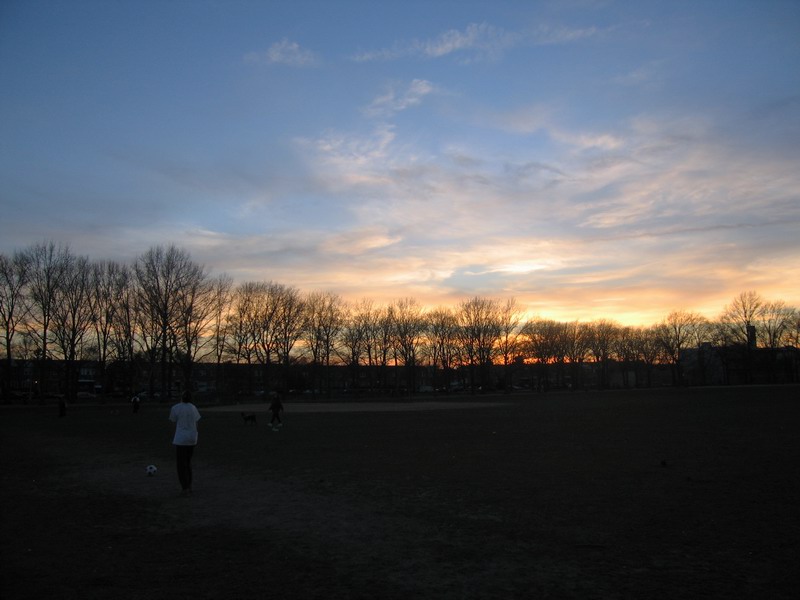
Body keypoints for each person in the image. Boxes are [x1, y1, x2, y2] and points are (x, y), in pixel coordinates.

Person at [169, 391, 201, 496]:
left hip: (181, 439)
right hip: (192, 438)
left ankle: (185, 487)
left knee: (181, 465)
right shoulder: (193, 408)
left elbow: (173, 424)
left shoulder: (175, 408)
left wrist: (175, 437)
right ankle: (189, 485)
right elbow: (196, 423)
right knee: (188, 462)